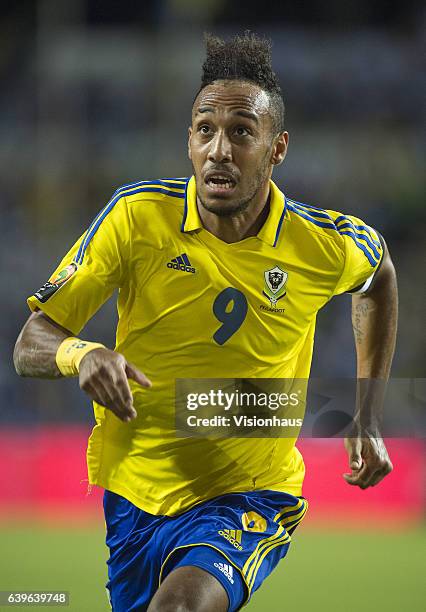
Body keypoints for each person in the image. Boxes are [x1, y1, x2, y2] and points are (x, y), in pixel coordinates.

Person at [14, 32, 397, 612]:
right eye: (205, 131)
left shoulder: (321, 244)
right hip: (134, 497)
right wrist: (82, 354)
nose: (219, 149)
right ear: (188, 143)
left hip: (252, 494)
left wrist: (368, 415)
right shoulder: (136, 218)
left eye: (242, 131)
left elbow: (380, 276)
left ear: (278, 148)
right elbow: (30, 342)